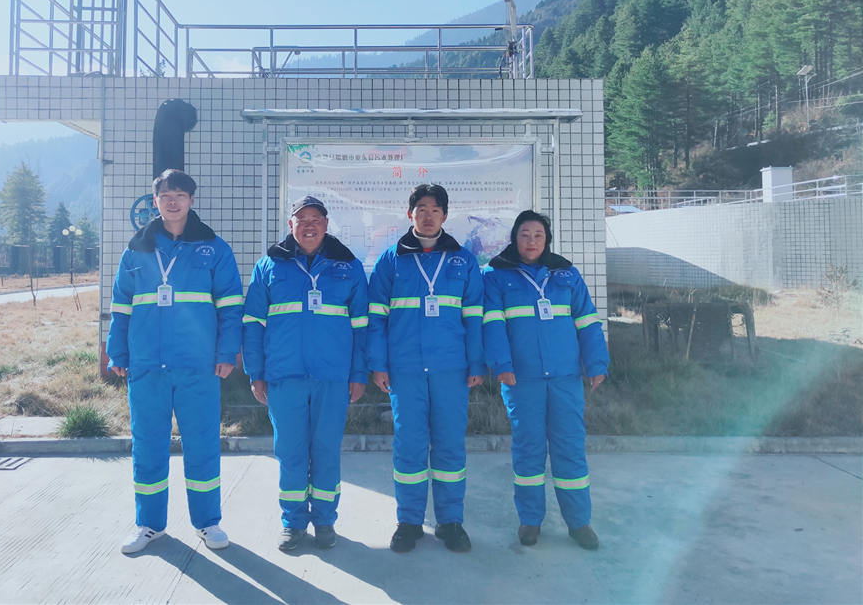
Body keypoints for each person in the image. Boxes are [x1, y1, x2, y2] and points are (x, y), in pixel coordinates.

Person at [107, 169, 243, 554]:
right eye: (165, 195)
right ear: (155, 201)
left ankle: (208, 522)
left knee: (202, 444)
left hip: (197, 365)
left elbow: (231, 305)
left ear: (191, 201)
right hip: (147, 365)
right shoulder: (136, 250)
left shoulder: (214, 248)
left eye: (180, 194)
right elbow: (121, 307)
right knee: (148, 445)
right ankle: (149, 525)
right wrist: (118, 352)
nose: (172, 201)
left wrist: (226, 353)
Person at [242, 196, 369, 552]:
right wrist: (255, 372)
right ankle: (293, 522)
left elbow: (362, 326)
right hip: (284, 377)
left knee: (326, 450)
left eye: (316, 219)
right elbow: (252, 323)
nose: (309, 225)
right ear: (291, 225)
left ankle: (325, 520)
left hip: (333, 377)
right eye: (302, 219)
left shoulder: (348, 267)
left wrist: (358, 373)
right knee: (291, 451)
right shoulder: (269, 266)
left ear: (326, 224)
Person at [367, 184, 485, 553]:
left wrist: (476, 361)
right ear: (410, 214)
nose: (428, 215)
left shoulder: (462, 261)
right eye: (421, 208)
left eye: (435, 209)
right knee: (409, 446)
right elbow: (376, 318)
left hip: (452, 368)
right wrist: (378, 364)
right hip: (405, 369)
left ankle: (451, 522)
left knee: (450, 445)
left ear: (445, 215)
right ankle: (409, 522)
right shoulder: (391, 260)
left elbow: (475, 317)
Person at [482, 209, 608, 550]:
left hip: (565, 378)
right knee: (529, 450)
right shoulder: (496, 276)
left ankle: (579, 522)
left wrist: (596, 363)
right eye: (525, 234)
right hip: (522, 380)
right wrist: (501, 364)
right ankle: (530, 520)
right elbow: (492, 324)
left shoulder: (566, 274)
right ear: (514, 238)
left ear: (547, 239)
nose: (531, 241)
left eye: (538, 235)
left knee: (570, 448)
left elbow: (587, 321)